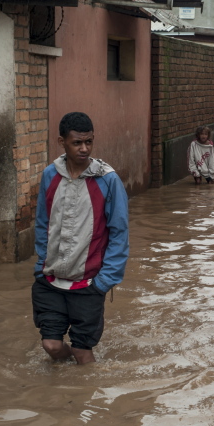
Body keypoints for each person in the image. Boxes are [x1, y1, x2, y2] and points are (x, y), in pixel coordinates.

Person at [32, 111, 129, 364]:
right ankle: (61, 394)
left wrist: (105, 281)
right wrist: (41, 265)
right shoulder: (49, 176)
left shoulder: (108, 181)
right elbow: (43, 223)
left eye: (89, 142)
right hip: (50, 279)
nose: (84, 148)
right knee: (51, 345)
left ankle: (84, 397)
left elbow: (119, 233)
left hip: (89, 284)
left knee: (82, 352)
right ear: (61, 142)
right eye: (77, 143)